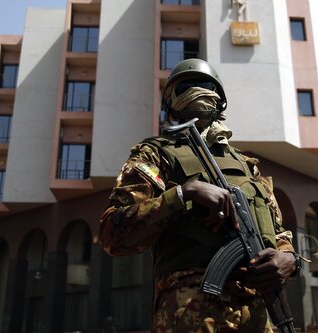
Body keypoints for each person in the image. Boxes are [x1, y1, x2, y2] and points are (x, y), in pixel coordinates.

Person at [98, 58, 301, 332]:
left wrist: (290, 260)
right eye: (186, 86)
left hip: (258, 315)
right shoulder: (155, 154)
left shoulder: (247, 165)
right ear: (172, 102)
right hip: (190, 313)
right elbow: (113, 235)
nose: (198, 90)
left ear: (221, 99)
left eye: (205, 85)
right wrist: (183, 194)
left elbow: (278, 235)